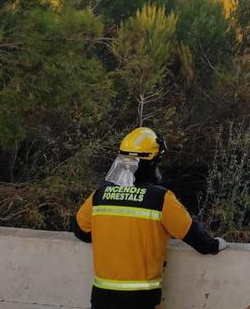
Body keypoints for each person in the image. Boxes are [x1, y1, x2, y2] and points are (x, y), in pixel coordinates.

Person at [73, 127, 226, 309]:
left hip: (102, 296)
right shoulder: (160, 197)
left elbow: (81, 231)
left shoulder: (99, 195)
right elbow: (192, 234)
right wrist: (213, 245)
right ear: (152, 163)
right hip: (141, 298)